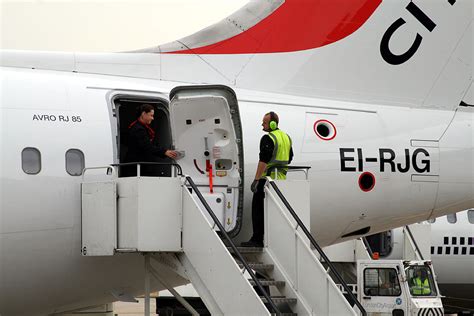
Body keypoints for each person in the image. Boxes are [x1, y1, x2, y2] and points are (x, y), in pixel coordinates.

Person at [241, 111, 293, 247]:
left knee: (257, 209)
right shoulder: (286, 137)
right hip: (280, 179)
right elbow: (290, 157)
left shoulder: (268, 138)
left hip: (267, 179)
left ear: (272, 123)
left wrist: (256, 180)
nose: (262, 125)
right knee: (272, 212)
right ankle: (272, 240)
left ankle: (257, 239)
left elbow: (263, 160)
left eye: (264, 122)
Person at [122, 104, 177, 176]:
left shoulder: (139, 127)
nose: (153, 118)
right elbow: (147, 147)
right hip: (136, 168)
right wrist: (164, 152)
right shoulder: (138, 129)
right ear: (144, 114)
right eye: (151, 115)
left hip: (139, 167)